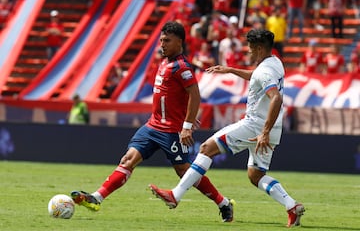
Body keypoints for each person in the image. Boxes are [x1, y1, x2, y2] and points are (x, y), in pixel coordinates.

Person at [70, 21, 235, 222]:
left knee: (184, 171)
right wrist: (185, 113)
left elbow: (195, 95)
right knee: (127, 159)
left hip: (172, 131)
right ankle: (97, 198)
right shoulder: (164, 62)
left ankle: (223, 203)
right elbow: (175, 96)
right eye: (161, 40)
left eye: (167, 40)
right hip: (152, 125)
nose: (162, 44)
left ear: (179, 42)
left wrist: (187, 125)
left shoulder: (182, 67)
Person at [149, 29, 305, 228]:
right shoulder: (274, 62)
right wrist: (231, 70)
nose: (248, 52)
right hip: (273, 128)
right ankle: (292, 206)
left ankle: (176, 195)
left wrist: (263, 132)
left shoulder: (265, 70)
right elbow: (257, 77)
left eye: (250, 48)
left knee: (206, 148)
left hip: (256, 126)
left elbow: (276, 97)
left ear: (258, 48)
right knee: (256, 175)